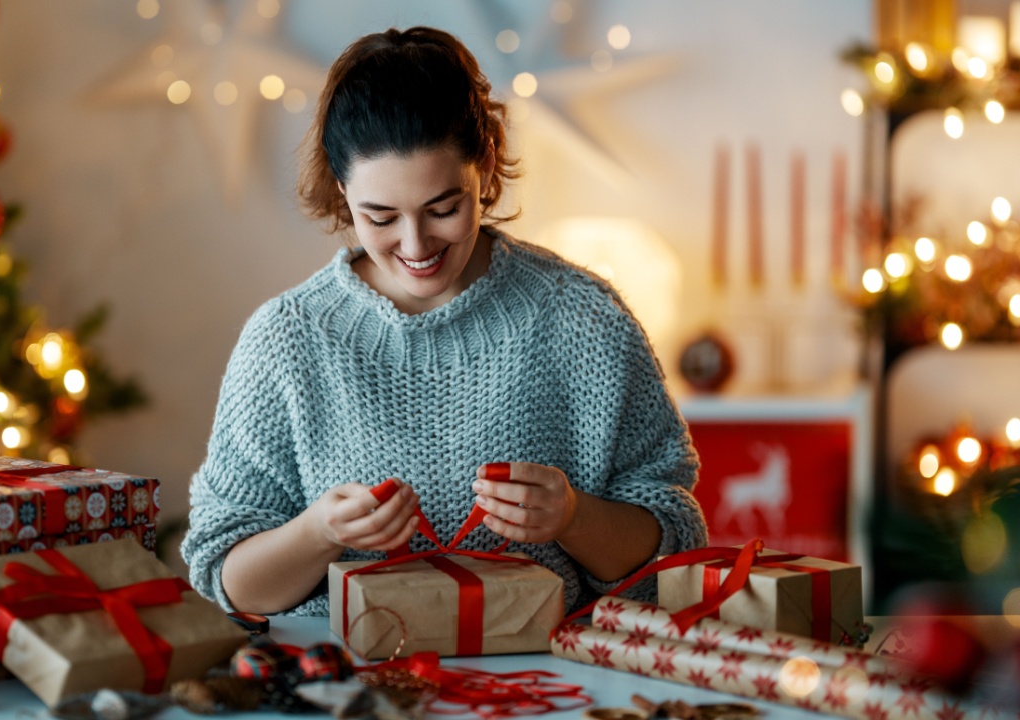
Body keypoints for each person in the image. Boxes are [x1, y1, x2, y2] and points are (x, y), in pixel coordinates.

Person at [181, 26, 707, 617]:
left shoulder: (582, 318)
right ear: (341, 192)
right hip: (352, 693)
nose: (415, 245)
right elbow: (223, 576)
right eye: (379, 217)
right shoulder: (289, 339)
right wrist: (318, 532)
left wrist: (574, 518)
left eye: (443, 209)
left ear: (485, 168)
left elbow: (676, 550)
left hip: (542, 687)